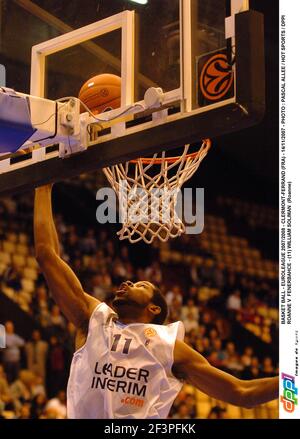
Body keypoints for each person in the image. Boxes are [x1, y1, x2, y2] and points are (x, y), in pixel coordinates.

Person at [34, 185, 279, 419]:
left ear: (154, 308)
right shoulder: (94, 318)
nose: (128, 283)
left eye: (141, 285)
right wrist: (43, 187)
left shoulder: (169, 346)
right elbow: (46, 255)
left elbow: (242, 392)